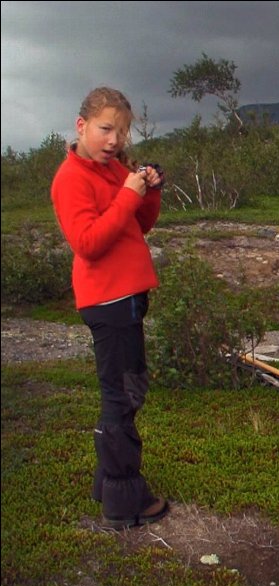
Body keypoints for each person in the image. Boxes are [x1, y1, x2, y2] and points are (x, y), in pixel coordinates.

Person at [50, 86, 169, 529]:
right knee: (122, 394)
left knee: (127, 388)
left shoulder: (112, 169)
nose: (114, 140)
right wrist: (127, 193)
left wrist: (147, 189)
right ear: (81, 126)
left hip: (128, 296)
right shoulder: (71, 179)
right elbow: (88, 244)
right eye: (105, 130)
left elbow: (141, 224)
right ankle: (124, 499)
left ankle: (108, 482)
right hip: (107, 299)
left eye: (121, 132)